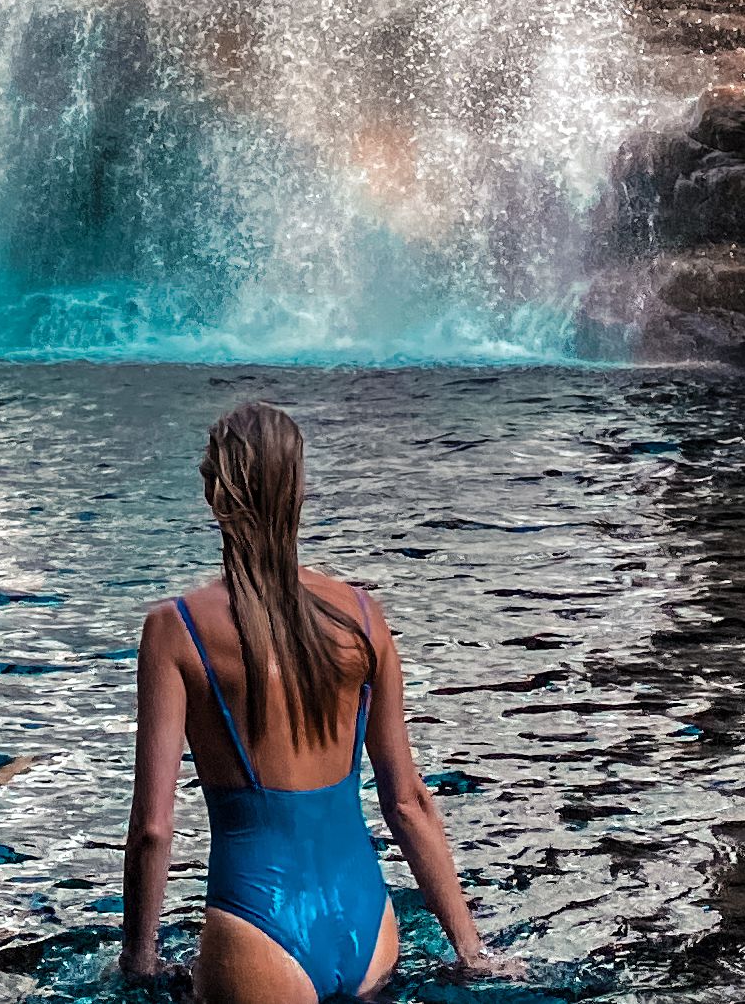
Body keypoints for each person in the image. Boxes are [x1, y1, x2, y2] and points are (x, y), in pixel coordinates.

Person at [122, 400, 516, 999]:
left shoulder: (176, 629)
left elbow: (153, 828)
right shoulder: (361, 616)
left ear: (214, 496)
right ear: (299, 492)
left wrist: (139, 962)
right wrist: (472, 951)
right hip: (369, 925)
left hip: (255, 932)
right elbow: (407, 801)